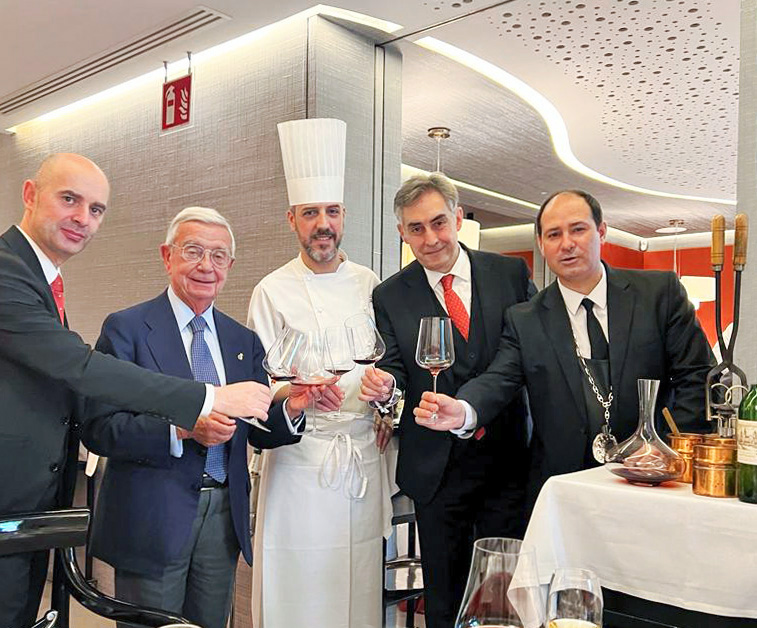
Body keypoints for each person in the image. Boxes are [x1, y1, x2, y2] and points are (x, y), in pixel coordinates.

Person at [0, 153, 271, 628]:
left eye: (96, 209)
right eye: (70, 199)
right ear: (30, 195)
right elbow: (81, 369)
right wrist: (209, 398)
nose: (83, 218)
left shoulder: (39, 279)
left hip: (23, 509)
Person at [81, 207, 315, 628]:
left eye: (219, 256)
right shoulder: (127, 330)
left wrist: (292, 407)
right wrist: (184, 428)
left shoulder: (242, 341)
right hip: (153, 517)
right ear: (167, 256)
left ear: (230, 266)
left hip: (222, 516)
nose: (206, 266)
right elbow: (100, 429)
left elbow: (257, 427)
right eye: (193, 252)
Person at [416, 189, 713, 510]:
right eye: (554, 234)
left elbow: (697, 376)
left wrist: (669, 451)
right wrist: (463, 411)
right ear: (542, 245)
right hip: (562, 489)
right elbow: (499, 379)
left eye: (578, 229)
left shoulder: (658, 294)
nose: (567, 243)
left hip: (653, 483)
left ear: (601, 231)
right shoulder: (525, 318)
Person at [358, 172, 534, 628]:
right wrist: (386, 388)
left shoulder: (510, 274)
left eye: (439, 222)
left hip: (508, 462)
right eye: (416, 228)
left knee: (506, 596)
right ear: (402, 233)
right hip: (437, 469)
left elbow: (531, 356)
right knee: (444, 600)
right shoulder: (390, 295)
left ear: (458, 217)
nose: (431, 237)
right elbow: (396, 370)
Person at [247, 118, 392, 628]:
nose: (322, 224)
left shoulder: (371, 284)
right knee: (298, 581)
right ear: (292, 219)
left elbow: (386, 367)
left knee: (355, 580)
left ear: (344, 216)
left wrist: (386, 399)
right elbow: (259, 385)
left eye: (331, 212)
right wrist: (297, 393)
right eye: (310, 213)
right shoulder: (271, 290)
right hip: (300, 461)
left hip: (360, 455)